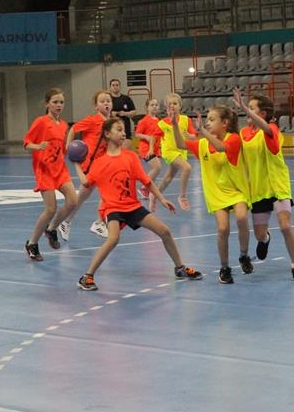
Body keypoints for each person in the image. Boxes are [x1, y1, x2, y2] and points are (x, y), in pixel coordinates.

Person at [77, 117, 202, 291]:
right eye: (118, 130)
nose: (123, 133)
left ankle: (179, 268)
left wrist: (161, 199)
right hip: (112, 208)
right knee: (113, 239)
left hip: (132, 206)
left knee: (165, 231)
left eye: (123, 130)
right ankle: (87, 277)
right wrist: (76, 164)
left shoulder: (130, 157)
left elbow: (146, 181)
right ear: (107, 134)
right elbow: (86, 183)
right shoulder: (99, 163)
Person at [171, 106, 253, 284]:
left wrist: (202, 130)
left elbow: (221, 147)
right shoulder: (202, 144)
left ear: (225, 123)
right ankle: (224, 267)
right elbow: (180, 144)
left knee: (241, 217)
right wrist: (174, 125)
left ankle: (244, 255)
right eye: (207, 119)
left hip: (236, 190)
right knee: (223, 229)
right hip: (216, 194)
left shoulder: (233, 138)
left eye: (211, 119)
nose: (208, 122)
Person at [232, 87, 294, 280]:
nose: (247, 111)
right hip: (258, 189)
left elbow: (265, 128)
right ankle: (265, 239)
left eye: (251, 108)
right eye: (247, 108)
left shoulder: (271, 129)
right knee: (259, 235)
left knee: (285, 226)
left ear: (262, 113)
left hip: (278, 186)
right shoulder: (243, 133)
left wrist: (243, 108)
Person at [22, 88, 79, 261]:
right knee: (50, 209)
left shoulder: (64, 125)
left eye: (61, 102)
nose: (58, 105)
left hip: (60, 168)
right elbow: (26, 143)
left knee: (73, 201)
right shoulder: (40, 122)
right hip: (44, 169)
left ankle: (52, 228)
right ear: (47, 104)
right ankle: (32, 243)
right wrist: (37, 147)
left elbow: (61, 148)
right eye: (55, 102)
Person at [59, 90, 112, 240]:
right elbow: (74, 128)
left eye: (108, 101)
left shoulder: (111, 122)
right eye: (102, 101)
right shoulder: (92, 120)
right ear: (96, 106)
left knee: (84, 196)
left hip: (103, 163)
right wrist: (68, 146)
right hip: (90, 164)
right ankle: (98, 222)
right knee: (103, 193)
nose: (106, 103)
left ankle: (67, 222)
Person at [157, 93, 194, 211]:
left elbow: (194, 135)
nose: (172, 106)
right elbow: (154, 136)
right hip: (169, 152)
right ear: (166, 107)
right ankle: (182, 196)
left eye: (175, 103)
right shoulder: (162, 123)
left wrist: (190, 136)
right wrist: (152, 149)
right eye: (169, 104)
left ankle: (155, 195)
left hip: (181, 151)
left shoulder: (186, 120)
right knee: (187, 168)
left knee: (169, 177)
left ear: (180, 106)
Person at [134, 98, 164, 199]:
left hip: (155, 149)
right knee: (157, 167)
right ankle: (144, 187)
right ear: (147, 107)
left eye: (156, 105)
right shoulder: (144, 121)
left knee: (157, 169)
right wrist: (146, 137)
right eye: (152, 105)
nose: (154, 107)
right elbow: (137, 134)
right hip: (146, 148)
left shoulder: (159, 121)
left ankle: (148, 189)